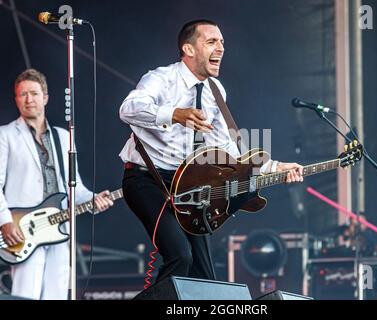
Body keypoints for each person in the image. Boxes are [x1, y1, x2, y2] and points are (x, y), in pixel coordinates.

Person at [119, 19, 304, 291]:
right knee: (180, 255)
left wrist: (274, 167)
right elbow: (128, 109)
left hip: (188, 185)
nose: (220, 48)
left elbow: (227, 150)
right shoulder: (161, 78)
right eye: (211, 42)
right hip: (146, 180)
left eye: (222, 43)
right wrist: (174, 114)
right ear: (188, 49)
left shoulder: (216, 91)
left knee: (205, 274)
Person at [0, 68, 114, 300]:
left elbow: (74, 188)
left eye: (33, 93)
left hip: (59, 228)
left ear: (46, 97)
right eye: (22, 94)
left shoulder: (64, 136)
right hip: (22, 229)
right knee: (25, 293)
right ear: (16, 99)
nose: (29, 99)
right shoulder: (6, 135)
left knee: (58, 293)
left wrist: (93, 199)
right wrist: (5, 221)